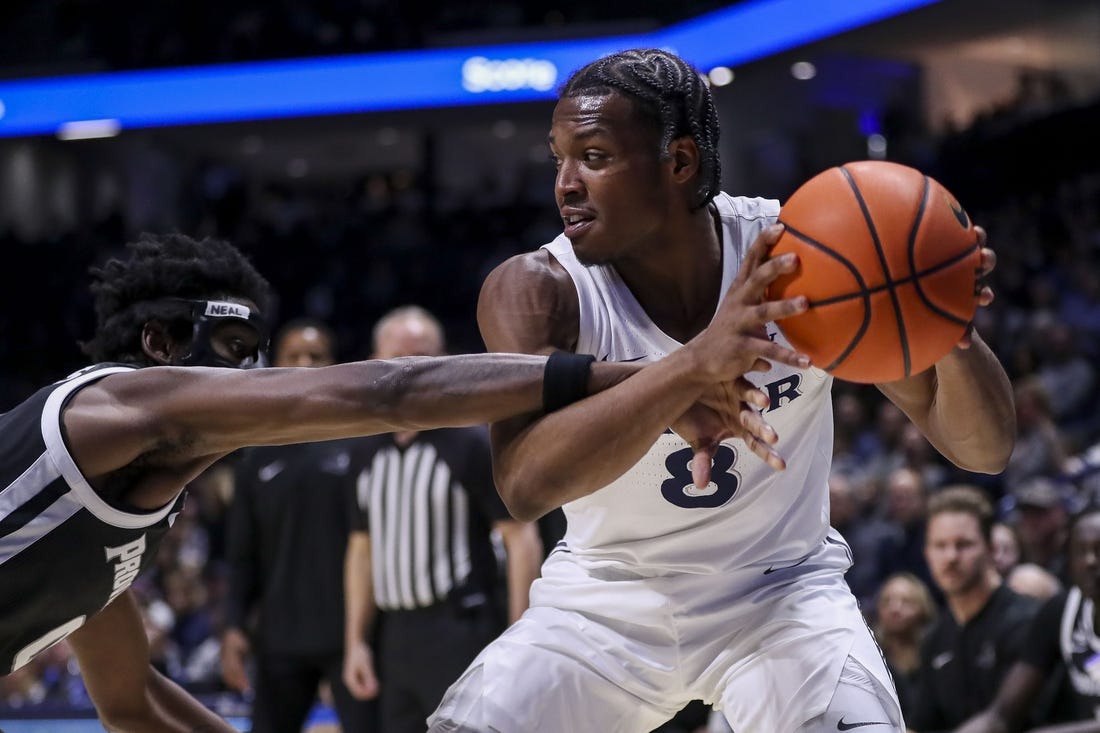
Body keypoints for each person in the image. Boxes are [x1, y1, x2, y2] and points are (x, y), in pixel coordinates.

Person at [428, 47, 1015, 733]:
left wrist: (947, 325)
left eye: (593, 156)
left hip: (781, 596)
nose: (564, 183)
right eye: (558, 157)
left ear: (678, 163)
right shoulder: (537, 288)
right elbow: (525, 485)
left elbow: (984, 449)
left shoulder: (803, 259)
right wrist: (694, 367)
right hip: (602, 603)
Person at [0, 231, 791, 732]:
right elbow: (387, 392)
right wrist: (665, 375)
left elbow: (132, 700)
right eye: (233, 343)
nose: (253, 371)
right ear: (158, 343)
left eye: (257, 348)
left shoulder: (120, 519)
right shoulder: (108, 406)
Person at [341, 306, 543, 732]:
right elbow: (361, 550)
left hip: (460, 627)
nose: (412, 368)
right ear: (374, 360)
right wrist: (356, 642)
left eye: (424, 357)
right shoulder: (363, 450)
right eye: (399, 356)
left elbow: (520, 537)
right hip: (395, 635)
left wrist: (519, 639)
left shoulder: (470, 443)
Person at [220, 318, 377, 733]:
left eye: (316, 355)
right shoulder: (256, 454)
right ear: (275, 365)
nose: (305, 363)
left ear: (334, 364)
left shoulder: (362, 440)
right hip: (279, 639)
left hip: (355, 636)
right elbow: (241, 554)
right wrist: (234, 625)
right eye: (294, 356)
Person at [907, 486, 1040, 732]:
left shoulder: (1027, 621)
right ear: (927, 554)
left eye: (964, 544)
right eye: (940, 545)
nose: (951, 556)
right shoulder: (934, 638)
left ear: (991, 549)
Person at [956, 506, 1100, 733]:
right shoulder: (1061, 611)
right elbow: (1001, 714)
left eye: (1099, 550)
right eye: (1081, 551)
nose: (1090, 561)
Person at [871, 573, 937, 719]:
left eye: (906, 601)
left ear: (923, 607)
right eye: (887, 601)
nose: (895, 609)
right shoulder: (869, 657)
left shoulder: (937, 653)